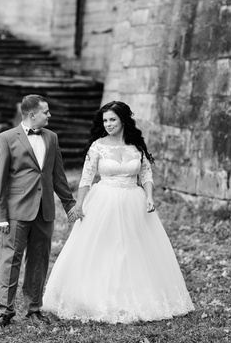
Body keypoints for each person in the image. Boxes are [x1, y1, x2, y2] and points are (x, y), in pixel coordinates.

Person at [41, 101, 194, 323]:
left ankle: (135, 295)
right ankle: (96, 296)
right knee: (104, 247)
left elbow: (146, 175)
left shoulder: (136, 147)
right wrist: (80, 204)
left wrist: (149, 196)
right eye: (105, 120)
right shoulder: (97, 146)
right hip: (104, 200)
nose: (108, 124)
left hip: (134, 200)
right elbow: (86, 178)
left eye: (112, 119)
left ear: (123, 120)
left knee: (133, 248)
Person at [0, 95, 83, 327]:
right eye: (46, 112)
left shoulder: (52, 138)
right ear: (32, 115)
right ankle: (5, 311)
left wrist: (69, 204)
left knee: (39, 261)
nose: (49, 115)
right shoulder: (6, 139)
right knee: (10, 260)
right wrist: (0, 217)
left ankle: (34, 309)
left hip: (44, 211)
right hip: (16, 211)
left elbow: (58, 175)